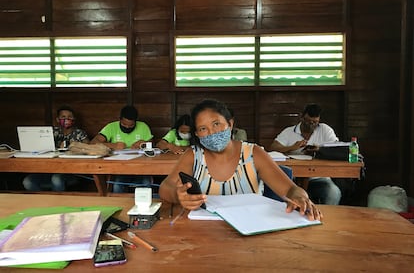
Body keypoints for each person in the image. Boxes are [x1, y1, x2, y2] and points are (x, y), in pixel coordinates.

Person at [159, 99, 321, 221]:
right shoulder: (193, 155)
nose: (211, 132)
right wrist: (178, 195)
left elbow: (292, 190)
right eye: (203, 129)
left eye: (216, 124)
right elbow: (166, 187)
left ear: (230, 124)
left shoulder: (254, 153)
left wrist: (301, 198)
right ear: (196, 134)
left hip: (251, 231)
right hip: (204, 234)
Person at [269, 103, 342, 205]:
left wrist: (319, 150)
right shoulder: (289, 131)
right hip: (293, 180)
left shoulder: (325, 130)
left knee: (333, 193)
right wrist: (292, 147)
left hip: (318, 179)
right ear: (302, 118)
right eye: (308, 121)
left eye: (315, 122)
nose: (311, 125)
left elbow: (336, 148)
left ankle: (326, 219)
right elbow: (273, 147)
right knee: (280, 194)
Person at [22, 105, 89, 191]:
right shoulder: (51, 132)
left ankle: (57, 203)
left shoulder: (80, 133)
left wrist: (73, 147)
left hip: (71, 171)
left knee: (56, 179)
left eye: (70, 117)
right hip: (49, 169)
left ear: (74, 119)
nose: (67, 119)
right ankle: (42, 202)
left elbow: (88, 148)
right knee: (28, 181)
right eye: (63, 117)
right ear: (57, 119)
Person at [91, 105, 153, 193]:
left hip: (140, 167)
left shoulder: (143, 126)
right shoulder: (111, 127)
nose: (127, 127)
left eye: (131, 125)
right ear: (119, 119)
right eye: (124, 124)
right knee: (117, 185)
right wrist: (113, 145)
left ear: (136, 121)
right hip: (119, 168)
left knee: (146, 183)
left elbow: (151, 144)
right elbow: (93, 143)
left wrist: (143, 144)